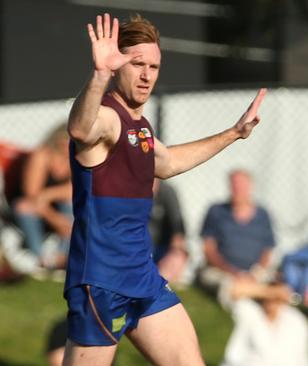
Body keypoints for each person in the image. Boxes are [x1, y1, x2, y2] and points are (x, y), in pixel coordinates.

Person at [63, 13, 266, 365]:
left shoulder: (139, 126)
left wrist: (234, 133)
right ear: (117, 66)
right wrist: (99, 77)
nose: (146, 75)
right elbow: (81, 130)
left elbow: (168, 162)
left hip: (143, 277)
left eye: (153, 66)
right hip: (102, 282)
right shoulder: (108, 118)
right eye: (136, 64)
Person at [199, 169, 275, 306]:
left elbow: (268, 251)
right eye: (234, 186)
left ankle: (246, 292)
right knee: (218, 281)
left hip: (255, 273)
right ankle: (261, 294)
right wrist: (233, 272)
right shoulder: (216, 211)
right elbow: (208, 249)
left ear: (250, 187)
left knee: (273, 277)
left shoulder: (263, 215)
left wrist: (253, 275)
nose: (237, 190)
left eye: (241, 186)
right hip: (223, 272)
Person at [13, 123, 72, 270]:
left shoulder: (77, 157)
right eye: (64, 140)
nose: (67, 144)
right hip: (36, 207)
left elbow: (76, 190)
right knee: (24, 207)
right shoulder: (42, 155)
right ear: (56, 139)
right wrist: (54, 219)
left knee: (73, 203)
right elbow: (31, 194)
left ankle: (61, 257)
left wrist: (48, 194)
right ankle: (39, 257)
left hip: (57, 205)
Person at [149, 178, 188, 285]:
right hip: (134, 250)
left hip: (160, 251)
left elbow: (178, 229)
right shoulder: (129, 190)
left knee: (176, 258)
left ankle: (157, 283)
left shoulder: (167, 192)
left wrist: (175, 252)